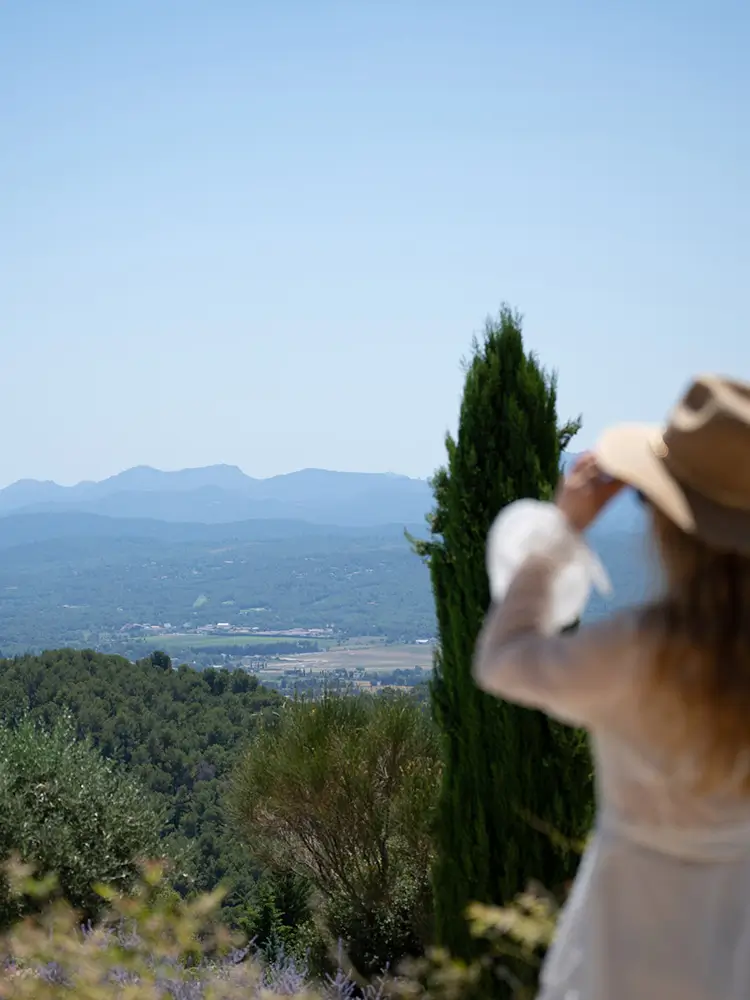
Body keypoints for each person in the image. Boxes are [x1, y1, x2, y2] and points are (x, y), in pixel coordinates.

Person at [473, 374, 750, 1000]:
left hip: (622, 953)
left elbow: (504, 658)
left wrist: (564, 528)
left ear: (671, 526)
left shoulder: (638, 654)